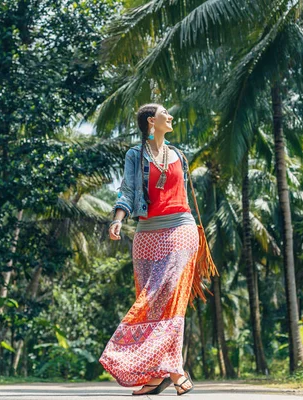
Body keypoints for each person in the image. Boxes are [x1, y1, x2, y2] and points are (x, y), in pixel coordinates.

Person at [99, 103, 197, 396]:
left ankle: (175, 369)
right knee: (152, 303)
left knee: (167, 295)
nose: (171, 117)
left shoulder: (179, 154)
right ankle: (158, 376)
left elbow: (181, 195)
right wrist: (118, 219)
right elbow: (127, 190)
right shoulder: (135, 155)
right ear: (152, 122)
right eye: (166, 113)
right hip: (146, 234)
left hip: (181, 227)